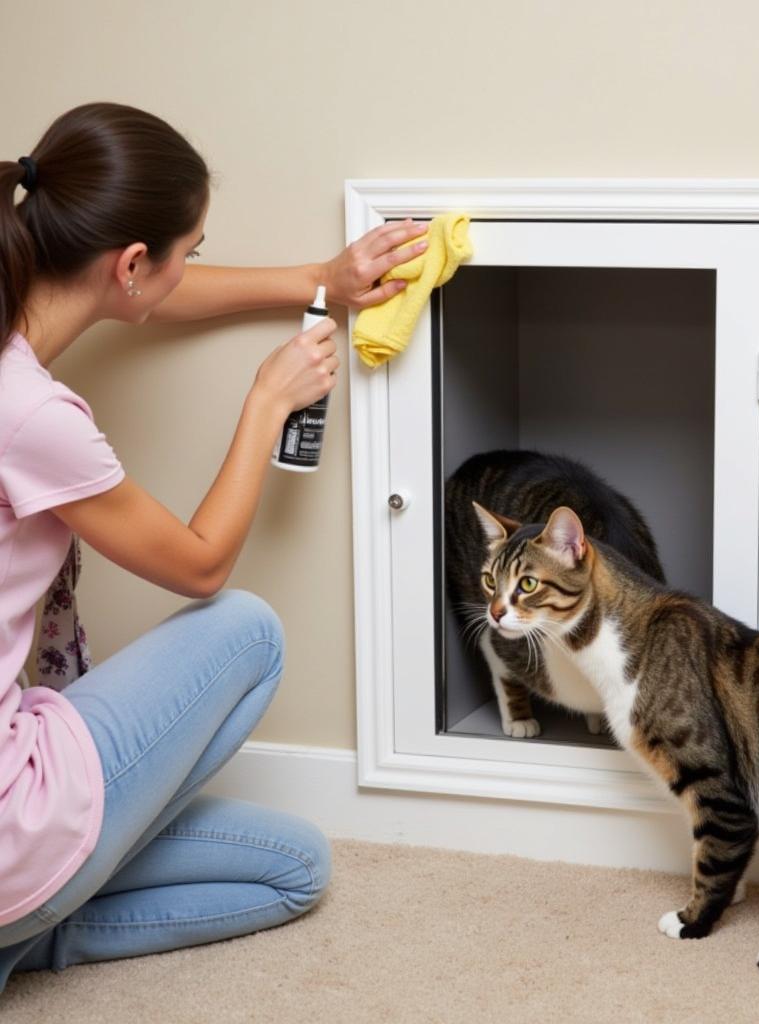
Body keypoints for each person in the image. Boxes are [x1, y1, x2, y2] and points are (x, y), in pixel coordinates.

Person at [0, 102, 428, 992]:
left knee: (295, 866)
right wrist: (267, 402)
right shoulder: (32, 413)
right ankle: (27, 910)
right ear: (129, 265)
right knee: (248, 629)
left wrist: (320, 276)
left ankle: (27, 929)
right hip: (10, 824)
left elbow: (156, 288)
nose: (190, 263)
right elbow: (201, 565)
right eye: (189, 247)